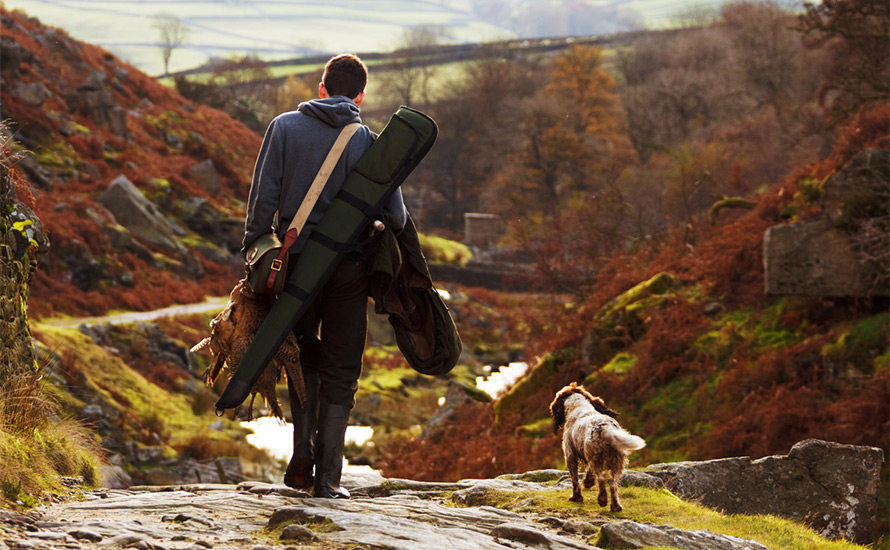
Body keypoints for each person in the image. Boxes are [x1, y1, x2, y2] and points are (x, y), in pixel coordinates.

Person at [242, 54, 406, 498]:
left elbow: (262, 203)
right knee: (341, 367)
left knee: (301, 360)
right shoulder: (370, 142)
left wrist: (258, 255)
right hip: (349, 269)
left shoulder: (282, 128)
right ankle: (329, 480)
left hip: (294, 266)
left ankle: (300, 462)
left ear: (320, 88)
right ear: (360, 96)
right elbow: (396, 215)